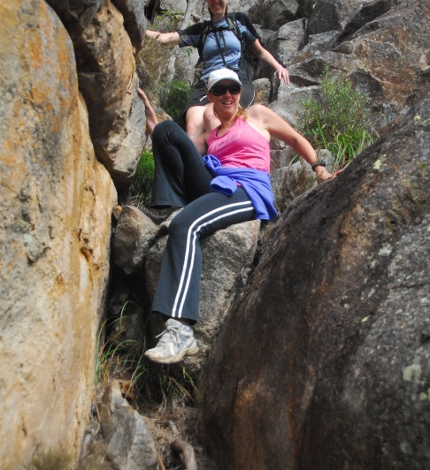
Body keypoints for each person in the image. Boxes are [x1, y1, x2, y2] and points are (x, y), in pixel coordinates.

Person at [138, 69, 337, 364]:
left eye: (233, 88)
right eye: (220, 90)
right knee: (168, 131)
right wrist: (155, 130)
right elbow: (180, 155)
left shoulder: (257, 115)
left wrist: (320, 169)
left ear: (240, 92)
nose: (228, 94)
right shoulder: (211, 135)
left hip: (247, 189)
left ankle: (180, 330)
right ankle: (172, 205)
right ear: (211, 98)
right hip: (215, 184)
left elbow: (295, 139)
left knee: (185, 225)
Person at [145, 0, 290, 140]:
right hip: (207, 85)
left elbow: (259, 51)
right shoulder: (201, 30)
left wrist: (278, 67)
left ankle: (221, 162)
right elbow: (166, 38)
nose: (216, 0)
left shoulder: (239, 22)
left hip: (236, 82)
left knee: (214, 118)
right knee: (192, 126)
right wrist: (136, 27)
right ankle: (194, 164)